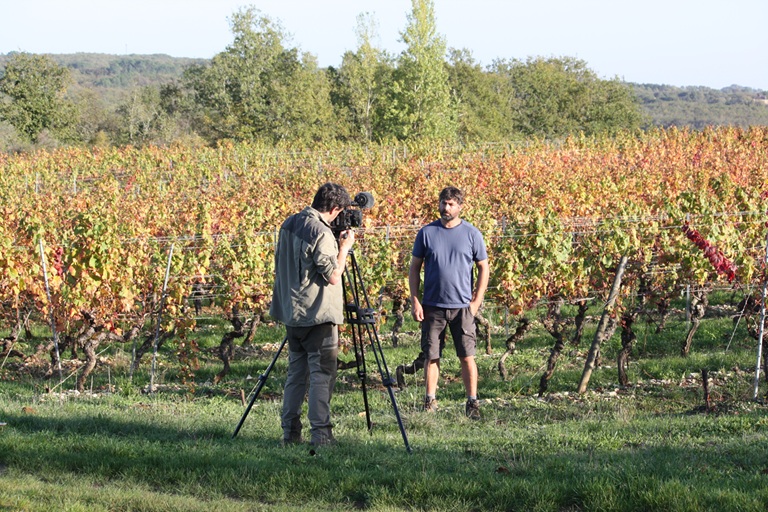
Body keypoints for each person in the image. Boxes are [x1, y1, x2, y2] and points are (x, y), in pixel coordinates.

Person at [270, 182, 355, 446]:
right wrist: (344, 248)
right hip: (317, 314)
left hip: (291, 312)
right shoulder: (320, 231)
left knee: (296, 374)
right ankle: (321, 434)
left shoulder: (289, 223)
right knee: (322, 374)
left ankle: (290, 433)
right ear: (334, 208)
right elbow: (332, 275)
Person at [408, 186, 489, 420]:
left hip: (462, 307)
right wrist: (415, 300)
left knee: (467, 356)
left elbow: (483, 267)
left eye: (451, 204)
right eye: (443, 203)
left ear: (460, 206)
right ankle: (430, 400)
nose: (446, 208)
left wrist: (476, 301)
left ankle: (472, 402)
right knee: (432, 355)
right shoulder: (426, 233)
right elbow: (414, 267)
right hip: (433, 305)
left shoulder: (472, 234)